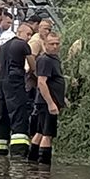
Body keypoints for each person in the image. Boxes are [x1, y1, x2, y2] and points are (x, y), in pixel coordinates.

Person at [0, 24, 36, 157]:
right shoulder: (23, 45)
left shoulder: (3, 47)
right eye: (28, 34)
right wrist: (28, 72)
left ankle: (0, 149)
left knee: (2, 115)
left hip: (0, 83)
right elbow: (33, 65)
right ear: (19, 32)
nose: (29, 37)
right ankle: (19, 151)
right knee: (18, 114)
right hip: (15, 82)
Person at [28, 32, 66, 165]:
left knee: (39, 132)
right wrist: (51, 103)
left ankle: (32, 163)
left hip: (47, 102)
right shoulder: (45, 60)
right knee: (47, 134)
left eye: (57, 43)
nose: (55, 46)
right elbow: (41, 82)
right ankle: (44, 167)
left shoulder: (53, 59)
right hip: (46, 103)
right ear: (44, 45)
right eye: (51, 44)